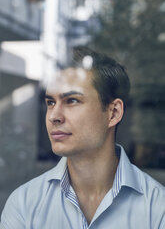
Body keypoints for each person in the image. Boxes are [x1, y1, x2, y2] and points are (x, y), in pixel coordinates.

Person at [0, 48, 165, 229]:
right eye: (50, 103)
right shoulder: (24, 204)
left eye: (72, 100)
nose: (53, 116)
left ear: (113, 113)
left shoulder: (157, 207)